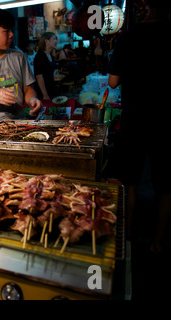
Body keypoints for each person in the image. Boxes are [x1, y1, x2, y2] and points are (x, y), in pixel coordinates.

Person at [108, 0, 171, 253]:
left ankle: (130, 235)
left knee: (130, 179)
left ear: (140, 8)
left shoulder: (127, 38)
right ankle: (157, 241)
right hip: (167, 119)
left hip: (135, 117)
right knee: (166, 183)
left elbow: (112, 82)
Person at [33, 32, 58, 100]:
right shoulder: (40, 56)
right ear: (47, 41)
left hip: (51, 87)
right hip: (43, 91)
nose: (56, 41)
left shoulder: (51, 55)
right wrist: (45, 94)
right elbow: (39, 77)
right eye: (54, 39)